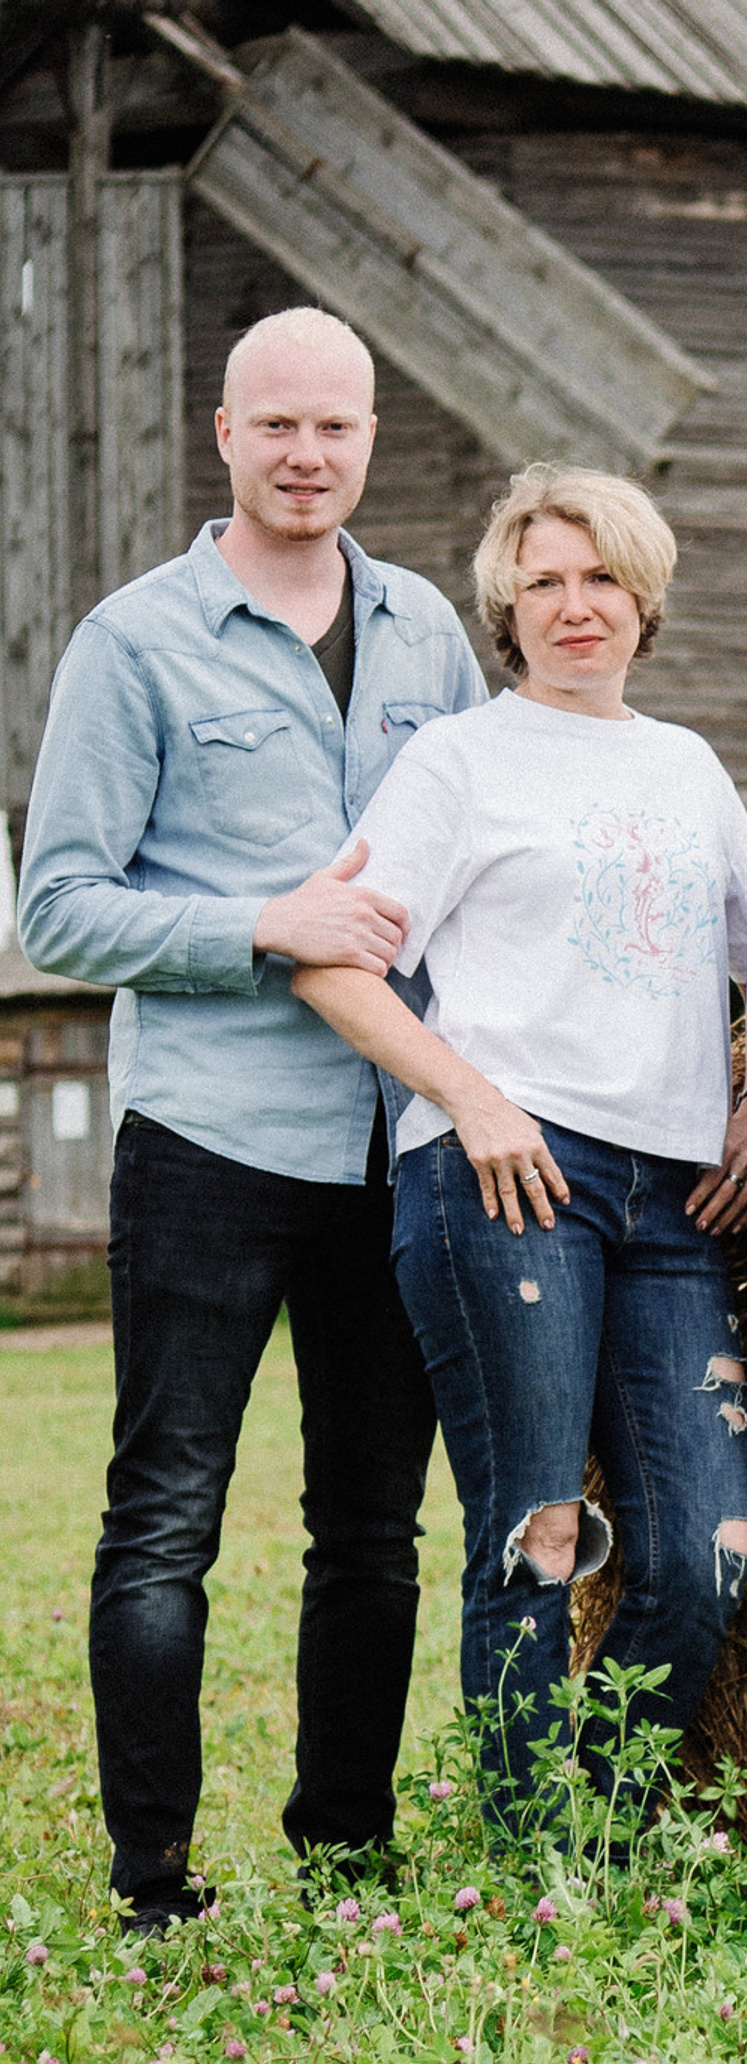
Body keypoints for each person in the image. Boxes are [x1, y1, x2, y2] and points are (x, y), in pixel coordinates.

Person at [14, 309, 484, 1933]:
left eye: (335, 429)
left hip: (393, 1147)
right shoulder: (132, 641)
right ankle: (156, 1880)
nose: (307, 455)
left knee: (374, 1526)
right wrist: (257, 927)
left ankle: (346, 1852)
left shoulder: (430, 632)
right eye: (276, 425)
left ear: (369, 437)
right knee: (166, 1518)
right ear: (222, 431)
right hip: (211, 1140)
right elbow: (59, 909)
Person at [293, 466, 747, 1845]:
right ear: (507, 605)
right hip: (507, 1176)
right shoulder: (459, 760)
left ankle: (600, 1830)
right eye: (545, 582)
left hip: (674, 1191)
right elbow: (333, 960)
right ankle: (535, 1865)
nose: (576, 607)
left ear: (645, 600)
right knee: (538, 1535)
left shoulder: (685, 768)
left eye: (603, 579)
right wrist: (471, 1098)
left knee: (708, 1553)